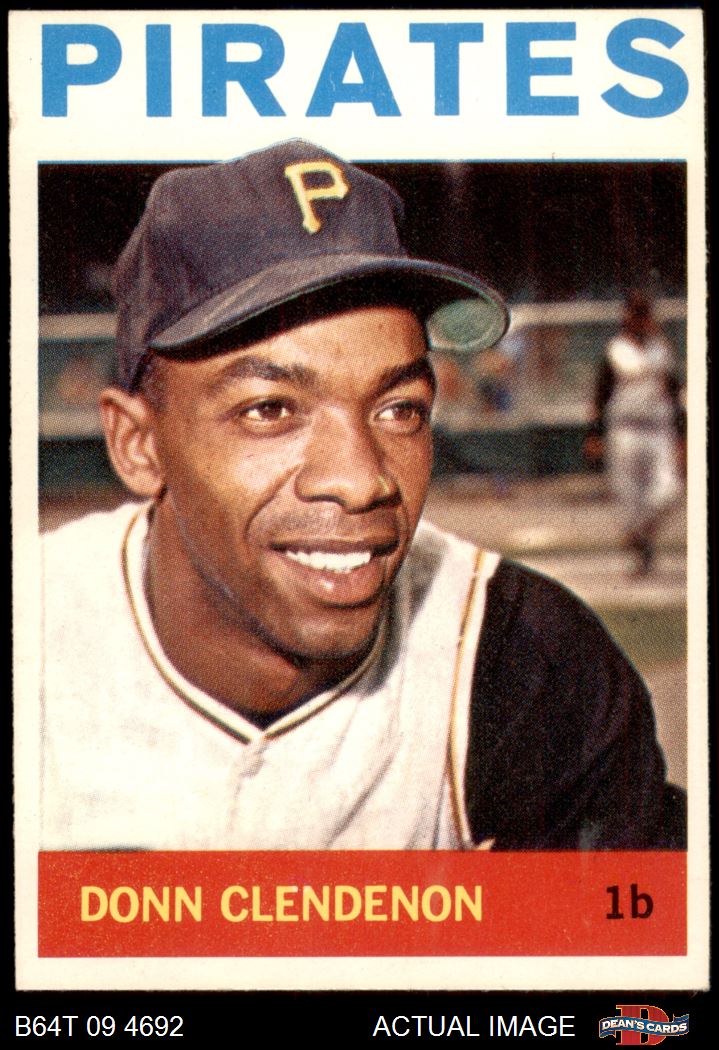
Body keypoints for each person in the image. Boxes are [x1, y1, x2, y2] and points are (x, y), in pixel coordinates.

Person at [40, 141, 685, 851]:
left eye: (398, 408)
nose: (360, 479)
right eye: (269, 410)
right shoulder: (36, 636)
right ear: (138, 444)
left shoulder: (525, 661)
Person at [587, 291, 684, 576]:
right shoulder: (615, 350)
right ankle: (643, 550)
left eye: (645, 314)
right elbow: (600, 396)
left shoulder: (662, 350)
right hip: (624, 430)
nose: (640, 319)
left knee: (668, 492)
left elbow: (676, 396)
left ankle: (638, 536)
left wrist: (682, 437)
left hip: (659, 430)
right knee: (629, 498)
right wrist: (594, 434)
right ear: (627, 316)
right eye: (636, 313)